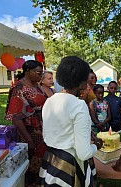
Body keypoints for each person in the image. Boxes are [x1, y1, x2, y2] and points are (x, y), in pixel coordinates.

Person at [38, 56, 103, 187]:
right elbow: (83, 153)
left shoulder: (49, 101)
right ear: (81, 82)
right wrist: (97, 145)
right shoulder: (79, 105)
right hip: (70, 165)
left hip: (51, 160)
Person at [5, 60, 47, 186]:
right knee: (30, 168)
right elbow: (16, 117)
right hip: (29, 133)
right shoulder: (19, 87)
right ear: (28, 71)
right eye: (38, 73)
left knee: (40, 165)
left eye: (42, 73)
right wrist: (29, 140)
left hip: (41, 131)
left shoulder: (36, 85)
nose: (41, 76)